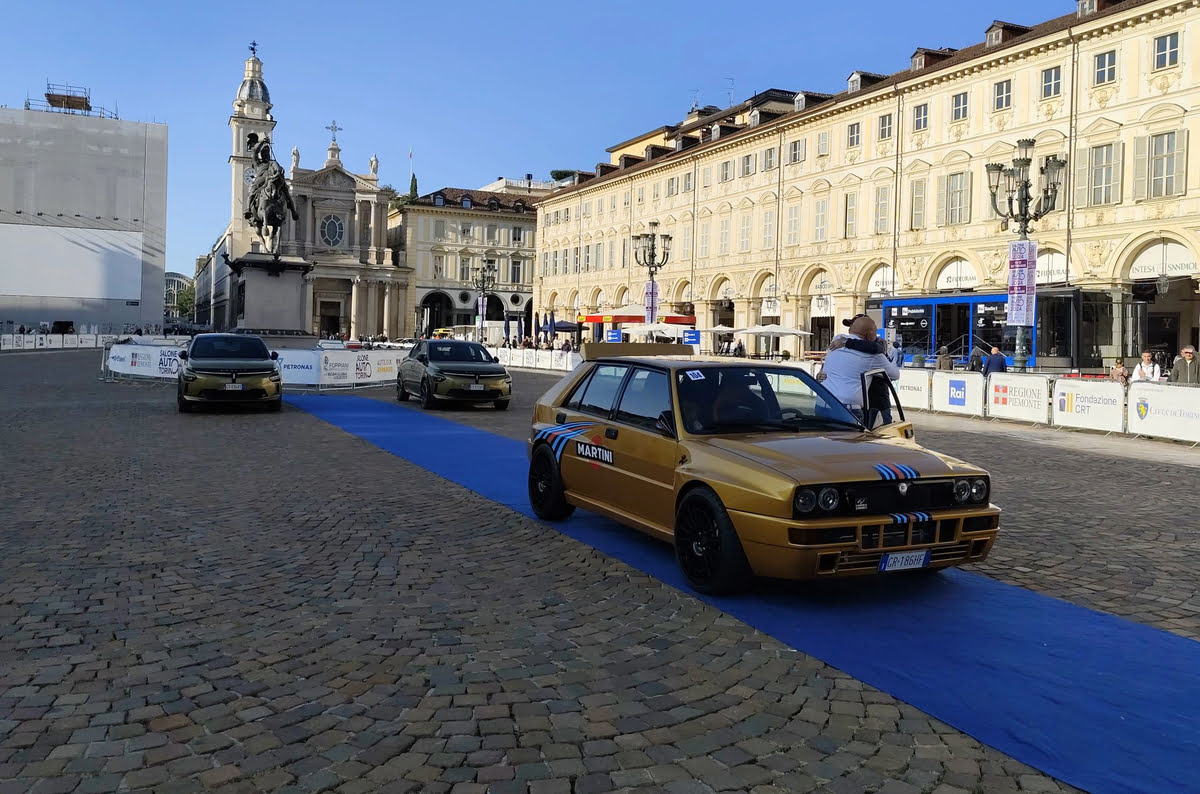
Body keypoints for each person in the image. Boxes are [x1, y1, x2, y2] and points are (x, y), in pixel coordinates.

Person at [817, 315, 898, 423]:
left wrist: (847, 342)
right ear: (870, 334)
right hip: (850, 406)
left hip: (823, 402)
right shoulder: (874, 354)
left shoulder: (838, 340)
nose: (849, 329)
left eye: (852, 326)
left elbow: (875, 347)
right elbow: (895, 375)